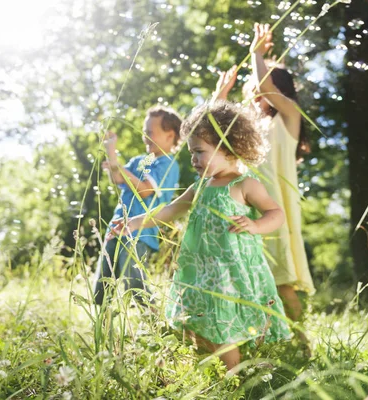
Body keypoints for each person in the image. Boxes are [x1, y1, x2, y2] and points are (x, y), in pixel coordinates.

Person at [110, 101, 291, 371]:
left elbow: (275, 213)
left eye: (199, 152)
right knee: (198, 323)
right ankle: (210, 372)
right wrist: (136, 222)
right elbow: (171, 210)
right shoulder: (200, 186)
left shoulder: (244, 184)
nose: (193, 159)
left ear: (228, 147)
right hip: (201, 270)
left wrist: (255, 225)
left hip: (230, 271)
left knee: (225, 326)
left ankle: (234, 379)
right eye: (192, 152)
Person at [214, 23, 315, 337]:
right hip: (248, 211)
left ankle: (302, 344)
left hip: (275, 213)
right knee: (249, 282)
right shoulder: (251, 134)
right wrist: (221, 95)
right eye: (252, 94)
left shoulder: (289, 118)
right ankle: (264, 342)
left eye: (259, 91)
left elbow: (267, 88)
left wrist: (257, 54)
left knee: (281, 282)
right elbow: (212, 135)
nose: (256, 97)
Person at [93, 106, 182, 306]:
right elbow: (117, 178)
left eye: (150, 133)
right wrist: (110, 150)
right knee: (102, 285)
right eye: (144, 132)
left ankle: (154, 322)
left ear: (169, 136)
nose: (145, 137)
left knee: (135, 283)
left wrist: (120, 168)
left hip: (140, 233)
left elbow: (145, 190)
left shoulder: (167, 164)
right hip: (117, 228)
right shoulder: (140, 160)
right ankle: (102, 326)